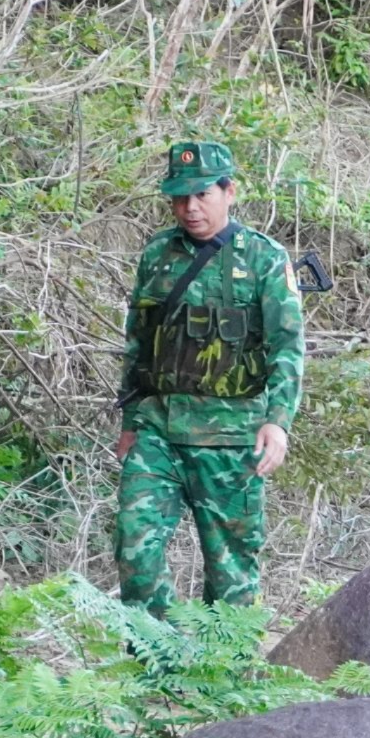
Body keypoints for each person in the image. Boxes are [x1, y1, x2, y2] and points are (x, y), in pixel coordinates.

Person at [115, 140, 307, 613]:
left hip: (230, 438)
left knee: (230, 571)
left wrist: (278, 421)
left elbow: (288, 346)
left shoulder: (263, 258)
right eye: (180, 197)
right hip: (159, 428)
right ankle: (155, 664)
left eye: (202, 195)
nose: (190, 208)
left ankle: (224, 675)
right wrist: (130, 420)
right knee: (134, 548)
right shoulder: (159, 254)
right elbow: (139, 341)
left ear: (229, 192)